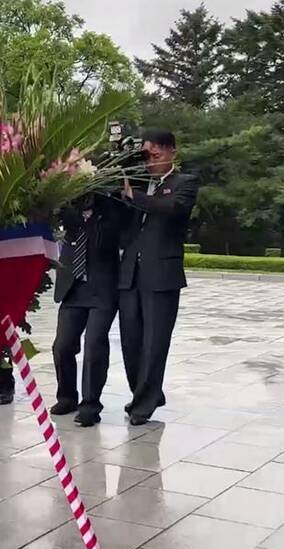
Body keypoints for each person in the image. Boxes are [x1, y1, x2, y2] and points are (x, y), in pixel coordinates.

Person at [119, 129, 199, 426]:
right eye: (146, 156)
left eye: (156, 156)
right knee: (130, 341)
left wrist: (134, 196)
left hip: (161, 274)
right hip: (130, 273)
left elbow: (171, 209)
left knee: (154, 341)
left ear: (172, 153)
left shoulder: (185, 183)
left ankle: (145, 402)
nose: (150, 162)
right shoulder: (139, 182)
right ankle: (145, 391)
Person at [49, 193, 123, 426]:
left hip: (102, 290)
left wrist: (93, 214)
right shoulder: (66, 208)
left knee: (94, 345)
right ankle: (67, 397)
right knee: (62, 346)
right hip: (73, 289)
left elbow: (110, 237)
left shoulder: (111, 210)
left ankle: (91, 405)